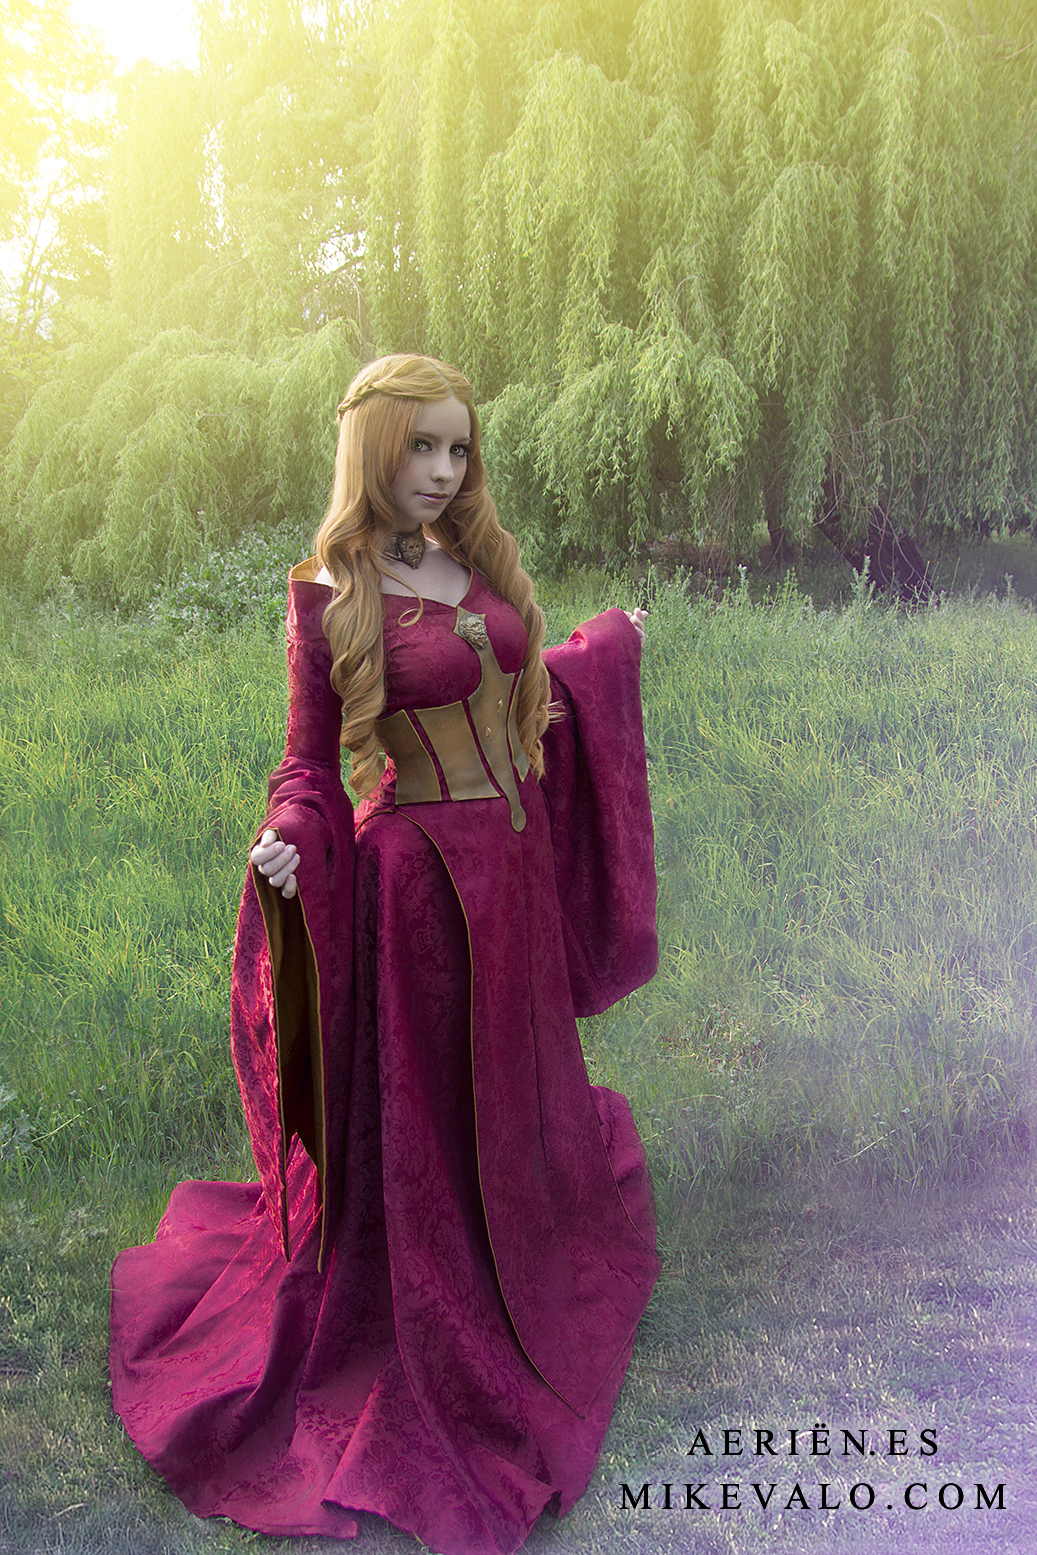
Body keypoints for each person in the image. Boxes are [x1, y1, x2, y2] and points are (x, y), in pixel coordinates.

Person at [110, 354, 660, 1555]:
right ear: (373, 448)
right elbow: (309, 760)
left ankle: (526, 1224)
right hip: (419, 892)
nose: (445, 470)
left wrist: (605, 645)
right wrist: (290, 836)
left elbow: (520, 681)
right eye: (422, 446)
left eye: (459, 448)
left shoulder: (476, 556)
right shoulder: (328, 592)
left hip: (510, 875)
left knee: (513, 1086)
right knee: (427, 1125)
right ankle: (438, 1291)